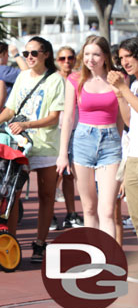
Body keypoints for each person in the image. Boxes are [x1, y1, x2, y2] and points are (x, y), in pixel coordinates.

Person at [0, 36, 65, 263]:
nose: (29, 57)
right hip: (19, 144)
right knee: (12, 194)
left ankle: (40, 243)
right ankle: (8, 242)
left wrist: (27, 124)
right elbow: (11, 108)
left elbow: (53, 117)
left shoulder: (56, 80)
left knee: (47, 195)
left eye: (34, 53)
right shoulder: (21, 76)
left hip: (46, 144)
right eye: (26, 54)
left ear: (46, 54)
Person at [56, 37, 123, 239]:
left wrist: (120, 144)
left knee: (107, 211)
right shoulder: (75, 80)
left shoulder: (118, 79)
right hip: (83, 140)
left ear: (105, 57)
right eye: (86, 54)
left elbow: (121, 117)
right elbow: (67, 118)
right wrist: (63, 154)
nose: (90, 59)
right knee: (89, 208)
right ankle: (94, 260)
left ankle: (108, 261)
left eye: (96, 54)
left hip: (111, 142)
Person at [50, 46, 84, 231]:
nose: (67, 61)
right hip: (55, 130)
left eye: (70, 58)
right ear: (56, 59)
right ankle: (50, 214)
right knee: (53, 175)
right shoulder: (53, 79)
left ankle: (72, 214)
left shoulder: (80, 78)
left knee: (69, 175)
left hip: (75, 129)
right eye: (62, 58)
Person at [108, 37, 138, 241]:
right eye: (121, 58)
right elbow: (129, 120)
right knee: (136, 215)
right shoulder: (134, 85)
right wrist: (120, 94)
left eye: (129, 56)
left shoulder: (132, 87)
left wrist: (123, 89)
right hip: (134, 156)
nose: (125, 62)